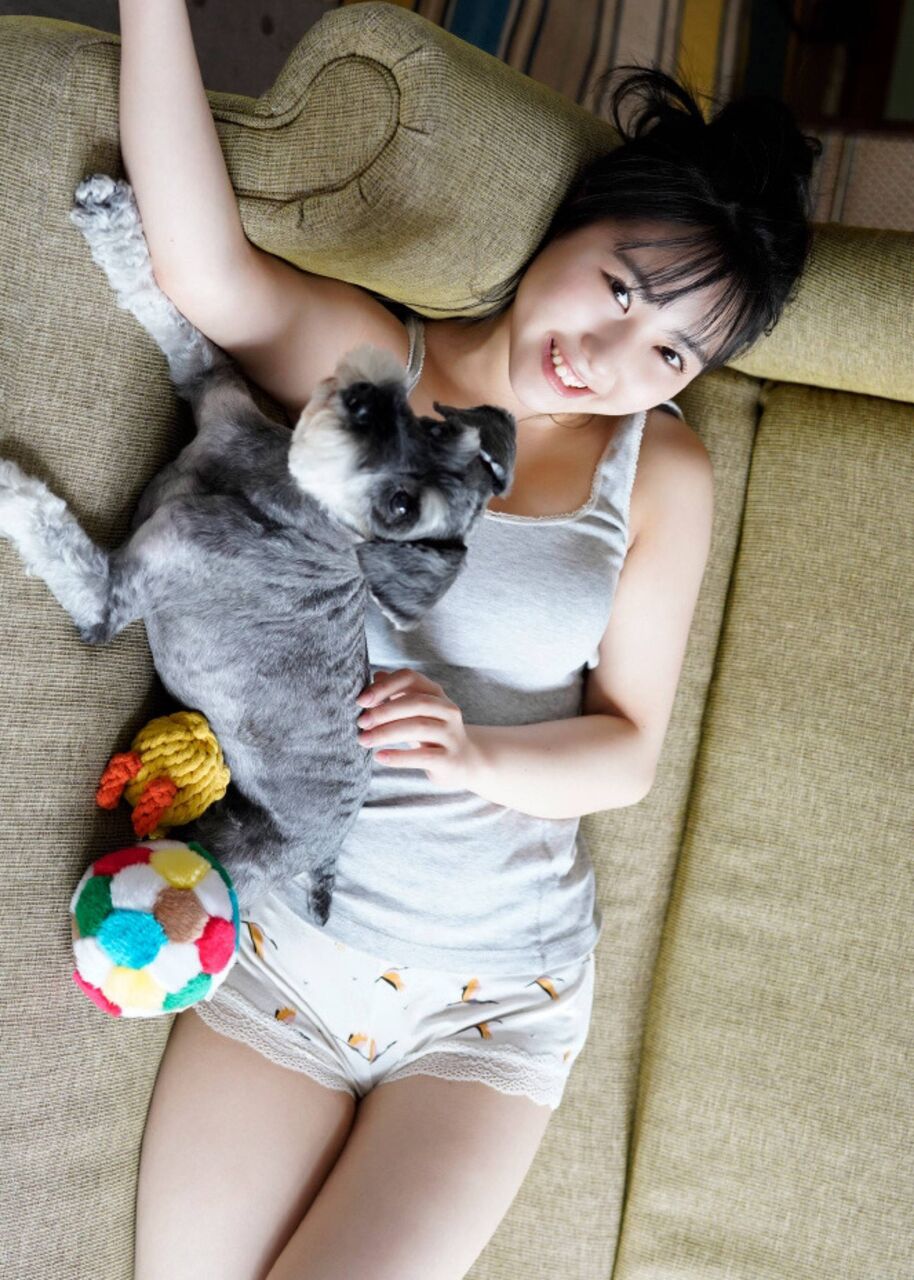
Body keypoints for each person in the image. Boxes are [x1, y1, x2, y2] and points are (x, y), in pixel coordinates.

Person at [121, 4, 821, 1278]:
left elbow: (626, 749)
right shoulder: (376, 367)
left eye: (667, 348)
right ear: (566, 230)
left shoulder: (659, 470)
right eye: (617, 288)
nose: (608, 356)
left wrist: (476, 753)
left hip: (490, 997)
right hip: (280, 942)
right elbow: (203, 269)